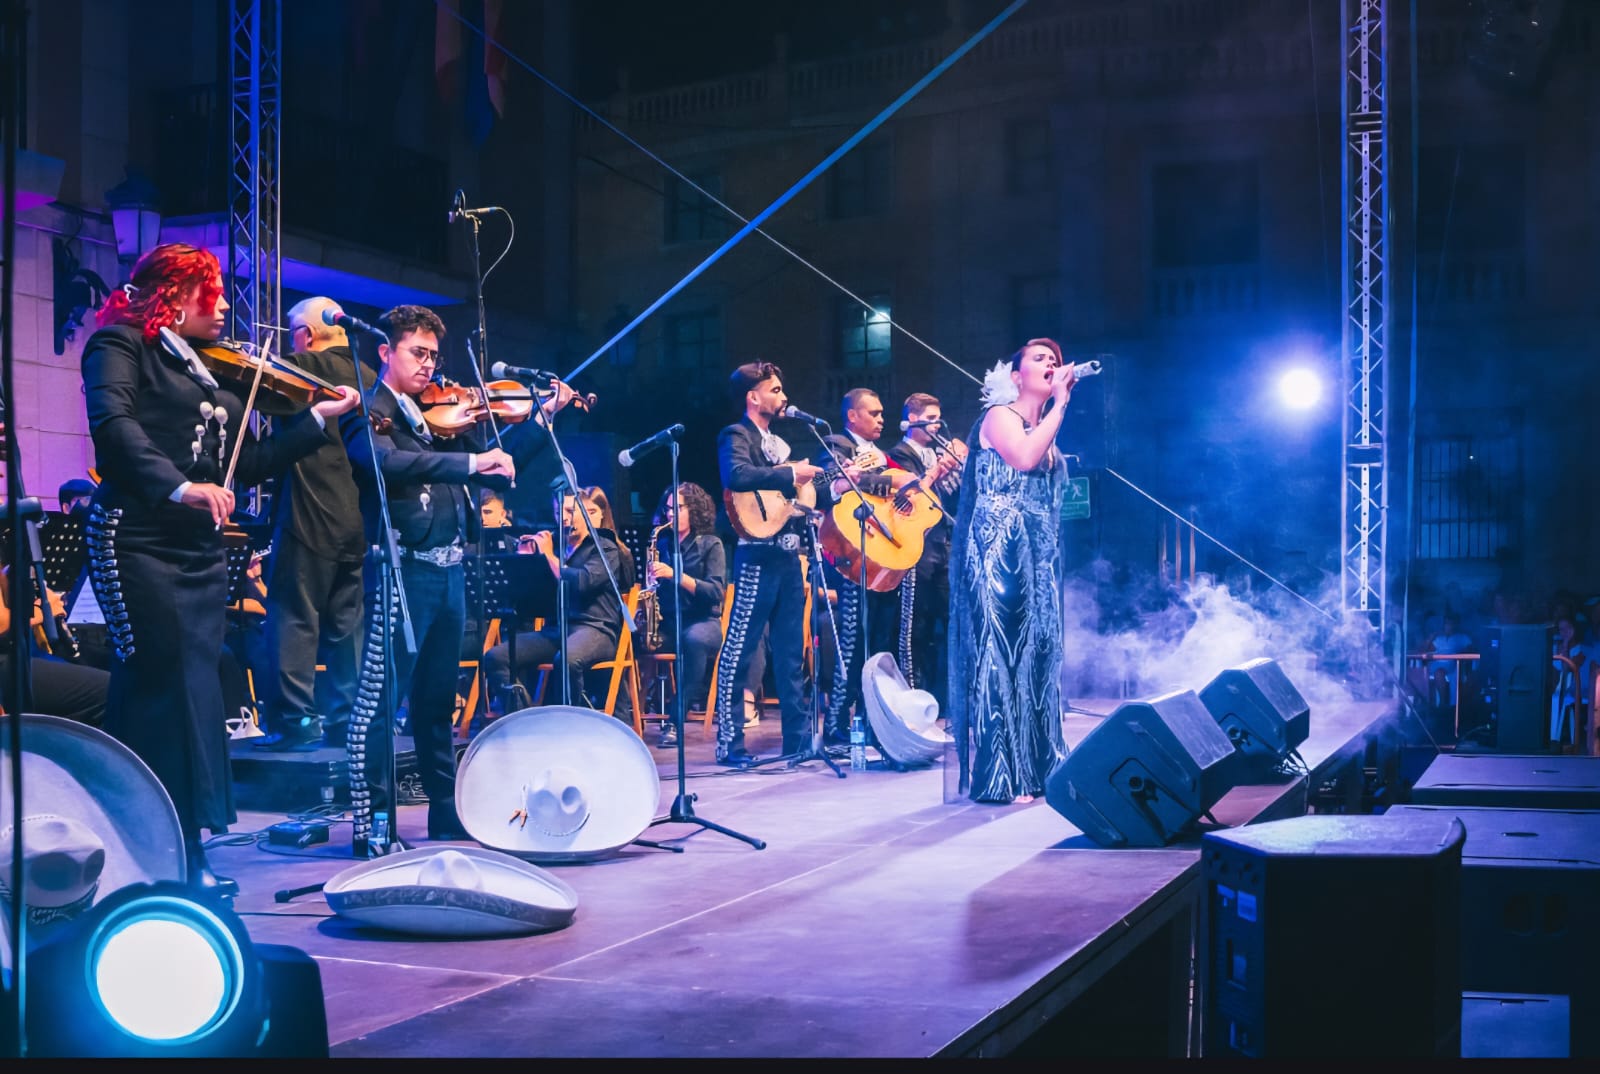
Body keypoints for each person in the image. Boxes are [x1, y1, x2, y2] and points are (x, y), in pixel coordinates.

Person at [79, 242, 360, 893]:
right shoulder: (119, 345)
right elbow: (115, 429)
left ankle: (183, 842)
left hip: (198, 550)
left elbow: (247, 464)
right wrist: (179, 488)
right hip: (137, 537)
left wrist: (314, 419)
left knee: (199, 688)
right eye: (211, 290)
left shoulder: (210, 366)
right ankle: (156, 846)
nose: (227, 303)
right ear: (174, 294)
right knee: (161, 686)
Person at [340, 303, 534, 847]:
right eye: (417, 353)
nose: (428, 365)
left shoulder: (436, 414)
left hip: (449, 574)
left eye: (433, 356)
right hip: (401, 570)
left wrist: (534, 421)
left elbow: (493, 463)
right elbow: (388, 463)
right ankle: (373, 823)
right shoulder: (369, 408)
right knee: (380, 701)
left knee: (437, 701)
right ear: (386, 352)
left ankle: (445, 813)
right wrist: (472, 464)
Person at [947, 338, 1077, 804]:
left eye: (1055, 360)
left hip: (1037, 555)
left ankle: (1040, 768)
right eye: (1040, 359)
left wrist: (1053, 414)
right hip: (999, 547)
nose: (1052, 364)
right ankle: (1003, 773)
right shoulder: (1000, 416)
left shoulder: (1041, 427)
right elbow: (1022, 458)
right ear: (1017, 376)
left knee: (1040, 654)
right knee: (1002, 654)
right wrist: (1060, 405)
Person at [255, 296, 370, 751]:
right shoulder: (369, 376)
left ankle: (295, 722)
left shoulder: (300, 368)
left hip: (308, 513)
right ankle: (345, 722)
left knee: (293, 618)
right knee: (347, 626)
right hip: (355, 520)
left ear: (306, 335)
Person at [712, 361, 824, 765]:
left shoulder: (778, 442)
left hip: (789, 556)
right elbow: (737, 475)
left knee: (791, 653)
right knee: (740, 649)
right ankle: (730, 743)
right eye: (774, 390)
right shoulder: (736, 434)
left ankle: (797, 741)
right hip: (756, 555)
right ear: (752, 397)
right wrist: (790, 473)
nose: (783, 396)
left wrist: (821, 483)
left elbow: (790, 494)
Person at [481, 486, 634, 718]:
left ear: (584, 512)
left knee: (567, 660)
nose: (563, 517)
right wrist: (525, 561)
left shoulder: (604, 547)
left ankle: (571, 724)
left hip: (596, 628)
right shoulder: (557, 545)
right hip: (557, 629)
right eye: (558, 511)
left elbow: (582, 582)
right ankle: (527, 718)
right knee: (496, 657)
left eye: (570, 511)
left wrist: (549, 557)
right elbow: (529, 595)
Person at [818, 387, 914, 749]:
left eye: (882, 413)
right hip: (852, 557)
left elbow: (906, 483)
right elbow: (832, 484)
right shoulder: (837, 444)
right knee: (851, 642)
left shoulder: (881, 454)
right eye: (873, 413)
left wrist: (891, 482)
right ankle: (837, 722)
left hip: (881, 556)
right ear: (852, 416)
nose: (881, 419)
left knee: (880, 639)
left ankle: (874, 719)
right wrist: (886, 481)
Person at [887, 392, 964, 719]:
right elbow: (908, 498)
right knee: (913, 627)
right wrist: (937, 470)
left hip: (944, 546)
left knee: (950, 621)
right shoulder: (898, 455)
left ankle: (949, 698)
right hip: (916, 548)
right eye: (931, 418)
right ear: (912, 420)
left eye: (938, 418)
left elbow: (953, 499)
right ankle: (912, 700)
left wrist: (961, 465)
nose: (936, 425)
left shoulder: (938, 451)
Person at [648, 481, 727, 747]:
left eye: (678, 508)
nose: (671, 514)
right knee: (630, 640)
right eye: (668, 509)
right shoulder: (662, 543)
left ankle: (674, 720)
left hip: (703, 621)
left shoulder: (711, 544)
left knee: (693, 640)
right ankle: (622, 718)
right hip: (668, 621)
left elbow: (715, 592)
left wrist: (676, 576)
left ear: (694, 510)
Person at [0, 567, 109, 727]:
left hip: (16, 652)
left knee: (111, 666)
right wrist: (42, 609)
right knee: (108, 691)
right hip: (5, 662)